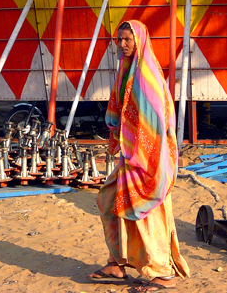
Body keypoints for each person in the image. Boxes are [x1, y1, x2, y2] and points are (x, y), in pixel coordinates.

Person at [89, 20, 189, 291]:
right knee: (108, 201)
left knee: (147, 216)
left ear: (139, 41)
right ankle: (116, 263)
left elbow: (158, 122)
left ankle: (162, 272)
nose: (122, 45)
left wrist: (143, 154)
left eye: (127, 40)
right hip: (131, 157)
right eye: (119, 40)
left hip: (148, 161)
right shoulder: (126, 72)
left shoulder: (147, 76)